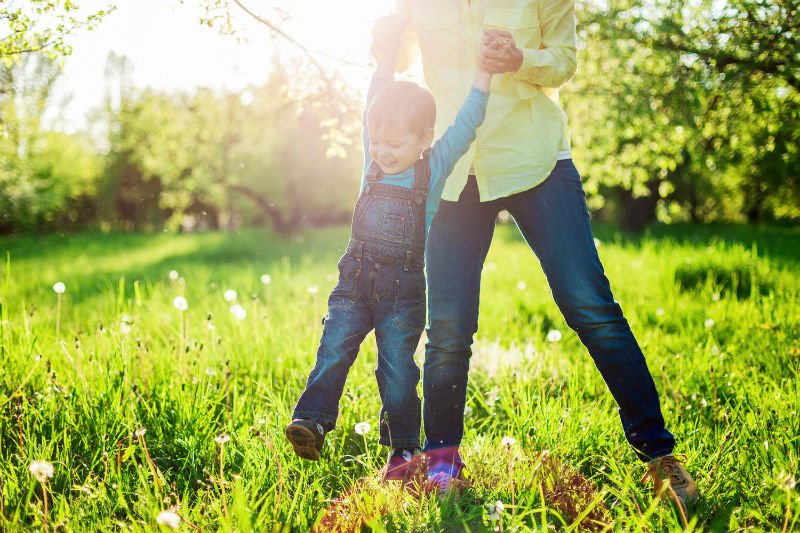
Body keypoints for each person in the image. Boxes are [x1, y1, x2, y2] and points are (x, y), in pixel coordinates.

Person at [382, 0, 699, 515]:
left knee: (589, 306)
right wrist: (384, 40)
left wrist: (520, 58)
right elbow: (398, 56)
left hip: (536, 158)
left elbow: (565, 60)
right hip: (454, 164)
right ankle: (442, 463)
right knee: (448, 328)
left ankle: (658, 454)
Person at [285, 17, 493, 480]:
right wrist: (386, 54)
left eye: (395, 144)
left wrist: (484, 73)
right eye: (376, 141)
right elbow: (374, 100)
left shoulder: (433, 167)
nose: (382, 151)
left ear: (423, 141)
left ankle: (403, 452)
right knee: (333, 347)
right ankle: (312, 421)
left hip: (401, 292)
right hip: (354, 281)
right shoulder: (372, 161)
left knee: (397, 372)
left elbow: (466, 124)